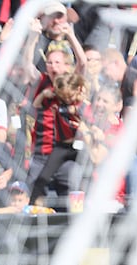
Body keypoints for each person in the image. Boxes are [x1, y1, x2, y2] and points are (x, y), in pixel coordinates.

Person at [29, 72, 89, 205]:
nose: (67, 99)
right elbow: (36, 106)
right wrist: (44, 94)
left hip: (80, 147)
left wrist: (78, 105)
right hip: (62, 145)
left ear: (78, 90)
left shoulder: (82, 104)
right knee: (43, 176)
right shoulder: (57, 100)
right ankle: (33, 205)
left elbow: (86, 112)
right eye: (64, 96)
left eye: (70, 96)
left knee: (84, 176)